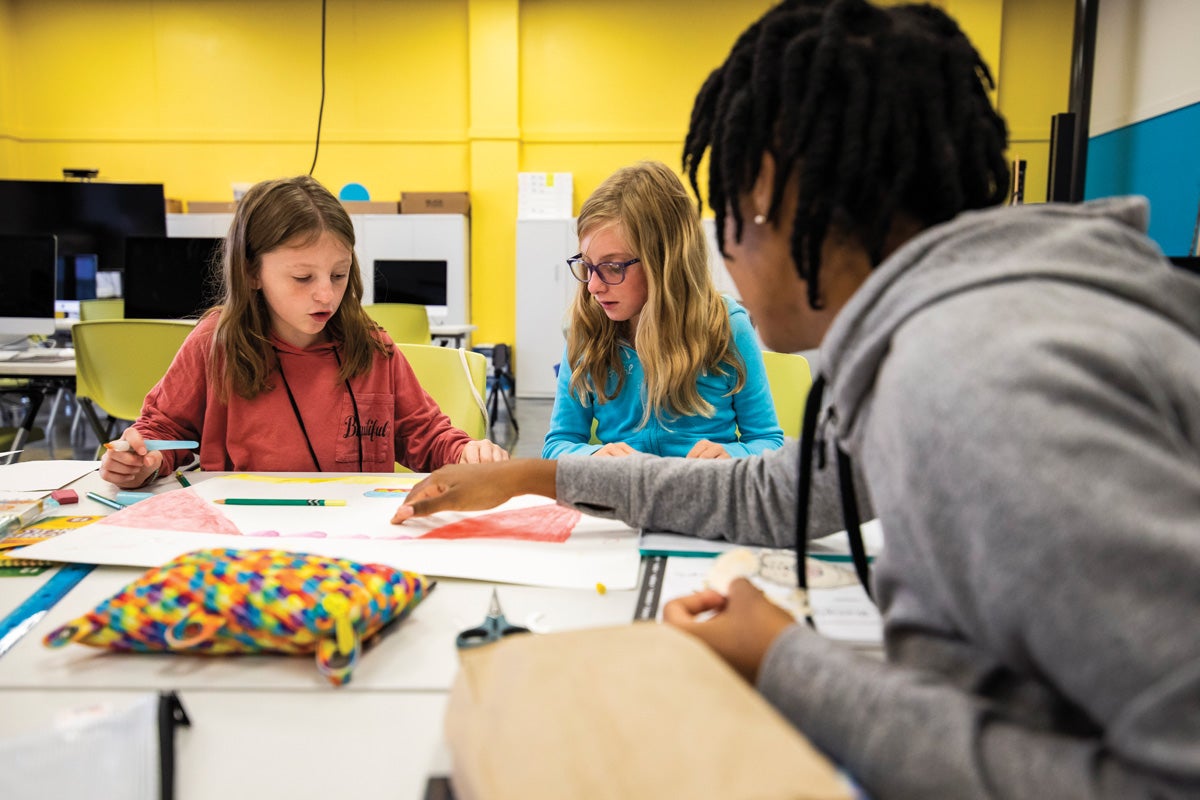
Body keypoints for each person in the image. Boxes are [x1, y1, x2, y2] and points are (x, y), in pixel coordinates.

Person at [391, 1, 1200, 797]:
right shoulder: (952, 330)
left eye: (732, 215)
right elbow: (784, 490)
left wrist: (786, 662)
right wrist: (539, 477)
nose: (728, 252)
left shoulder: (974, 380)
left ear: (789, 199)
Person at [100, 175, 506, 488]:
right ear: (251, 272)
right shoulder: (216, 343)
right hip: (247, 538)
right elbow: (161, 431)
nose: (325, 295)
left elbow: (425, 434)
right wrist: (140, 460)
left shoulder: (370, 346)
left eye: (339, 274)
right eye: (301, 277)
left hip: (354, 536)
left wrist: (466, 452)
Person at [543, 160, 783, 459]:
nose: (593, 287)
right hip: (624, 495)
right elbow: (557, 445)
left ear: (666, 263)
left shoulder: (726, 326)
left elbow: (769, 442)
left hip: (702, 492)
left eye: (612, 267)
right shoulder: (587, 329)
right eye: (587, 266)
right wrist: (592, 458)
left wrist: (731, 456)